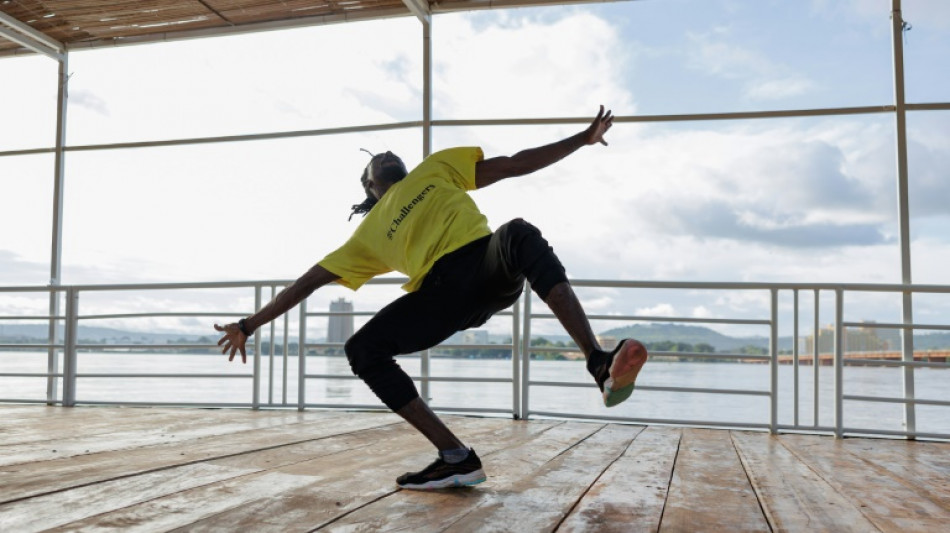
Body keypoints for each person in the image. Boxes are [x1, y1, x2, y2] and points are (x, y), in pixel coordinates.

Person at [215, 105, 648, 490]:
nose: (381, 155)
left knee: (517, 231)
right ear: (370, 188)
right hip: (441, 295)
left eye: (386, 153)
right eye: (373, 164)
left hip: (487, 264)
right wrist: (248, 325)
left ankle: (598, 362)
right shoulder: (363, 237)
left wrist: (583, 138)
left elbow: (515, 165)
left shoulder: (435, 168)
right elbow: (303, 285)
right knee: (362, 349)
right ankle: (456, 458)